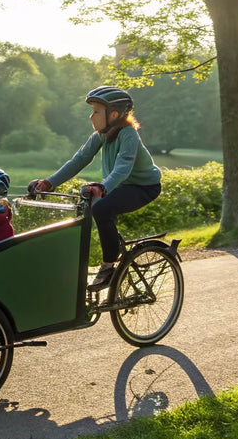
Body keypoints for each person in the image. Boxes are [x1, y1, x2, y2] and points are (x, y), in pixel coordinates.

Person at [29, 86, 161, 291]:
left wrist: (103, 186)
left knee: (101, 208)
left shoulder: (128, 135)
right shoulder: (101, 134)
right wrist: (49, 182)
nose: (91, 117)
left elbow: (123, 168)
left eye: (96, 112)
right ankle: (87, 259)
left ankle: (108, 265)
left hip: (143, 187)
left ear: (114, 114)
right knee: (84, 206)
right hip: (120, 185)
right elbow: (79, 159)